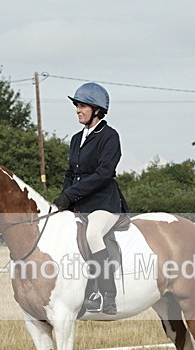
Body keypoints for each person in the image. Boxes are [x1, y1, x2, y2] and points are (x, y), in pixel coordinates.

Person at [53, 82, 128, 315]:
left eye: (82, 105)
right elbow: (70, 173)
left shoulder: (110, 136)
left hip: (104, 202)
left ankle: (107, 294)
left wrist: (71, 194)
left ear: (96, 110)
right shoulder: (76, 139)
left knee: (93, 234)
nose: (77, 109)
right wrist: (64, 200)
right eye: (77, 105)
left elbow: (103, 174)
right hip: (80, 202)